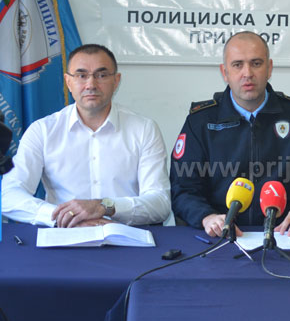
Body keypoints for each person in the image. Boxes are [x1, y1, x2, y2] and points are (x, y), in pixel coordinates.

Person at [170, 31, 290, 237]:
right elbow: (183, 188)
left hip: (287, 233)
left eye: (256, 63)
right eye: (237, 65)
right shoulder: (200, 121)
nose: (247, 73)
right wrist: (206, 217)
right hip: (222, 234)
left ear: (269, 68)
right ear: (224, 72)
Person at [1, 44, 171, 227]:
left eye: (101, 75)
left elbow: (160, 203)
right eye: (81, 76)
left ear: (116, 81)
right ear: (68, 82)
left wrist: (105, 207)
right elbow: (8, 195)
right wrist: (65, 217)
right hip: (64, 234)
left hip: (126, 235)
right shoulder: (43, 130)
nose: (91, 85)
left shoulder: (144, 129)